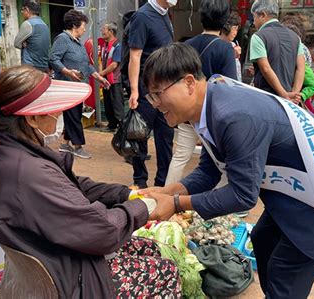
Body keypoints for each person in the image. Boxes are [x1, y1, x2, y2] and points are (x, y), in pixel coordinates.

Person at [140, 43, 314, 298]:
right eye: (151, 96)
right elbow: (210, 169)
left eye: (158, 93)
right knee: (263, 240)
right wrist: (168, 191)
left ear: (189, 83)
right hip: (298, 186)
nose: (155, 104)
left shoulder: (232, 116)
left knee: (285, 272)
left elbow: (242, 195)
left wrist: (177, 203)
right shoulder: (209, 105)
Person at [0, 65, 180, 298]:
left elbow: (73, 185)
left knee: (151, 248)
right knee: (166, 271)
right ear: (32, 118)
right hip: (69, 275)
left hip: (55, 255)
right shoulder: (29, 173)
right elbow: (103, 232)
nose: (59, 118)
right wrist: (146, 207)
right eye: (55, 112)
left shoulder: (12, 153)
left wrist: (127, 194)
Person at [165, 0, 236, 186]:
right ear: (224, 21)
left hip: (187, 112)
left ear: (201, 18)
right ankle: (218, 206)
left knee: (180, 157)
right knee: (219, 161)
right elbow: (229, 85)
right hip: (213, 115)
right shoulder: (224, 47)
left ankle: (167, 194)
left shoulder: (187, 45)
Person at [126, 0, 178, 188]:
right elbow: (135, 56)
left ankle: (162, 183)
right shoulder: (142, 16)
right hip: (145, 89)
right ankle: (140, 181)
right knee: (139, 134)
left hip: (165, 89)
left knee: (166, 137)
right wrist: (134, 90)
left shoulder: (165, 15)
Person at [49, 9, 110, 159]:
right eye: (83, 25)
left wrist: (98, 77)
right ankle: (77, 146)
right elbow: (53, 59)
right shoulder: (63, 39)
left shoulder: (78, 43)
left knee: (73, 115)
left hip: (78, 87)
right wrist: (67, 71)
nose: (84, 28)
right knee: (73, 117)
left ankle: (65, 144)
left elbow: (87, 65)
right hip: (67, 86)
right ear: (75, 25)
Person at [249, 0, 304, 104]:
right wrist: (294, 94)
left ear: (263, 15)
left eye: (254, 17)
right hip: (289, 101)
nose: (253, 22)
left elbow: (265, 69)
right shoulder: (295, 37)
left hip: (266, 99)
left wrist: (284, 94)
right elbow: (301, 68)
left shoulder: (258, 36)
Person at [100, 22, 124, 132]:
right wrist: (101, 74)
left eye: (104, 29)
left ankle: (121, 126)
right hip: (105, 79)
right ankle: (112, 125)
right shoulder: (104, 45)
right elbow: (101, 61)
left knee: (117, 103)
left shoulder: (117, 46)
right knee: (108, 103)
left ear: (111, 32)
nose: (102, 31)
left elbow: (115, 64)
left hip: (115, 80)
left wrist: (101, 73)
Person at [14, 0, 50, 72]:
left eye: (22, 10)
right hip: (44, 66)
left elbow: (16, 44)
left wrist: (24, 43)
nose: (22, 13)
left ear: (27, 9)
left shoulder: (28, 23)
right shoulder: (45, 25)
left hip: (30, 67)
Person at [221, 12, 242, 82]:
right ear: (227, 27)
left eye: (237, 29)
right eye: (234, 28)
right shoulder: (217, 44)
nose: (235, 33)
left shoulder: (233, 45)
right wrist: (232, 55)